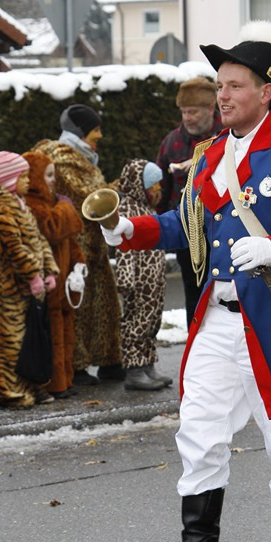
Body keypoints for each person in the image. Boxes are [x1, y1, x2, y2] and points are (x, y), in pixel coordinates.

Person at [101, 21, 271, 542]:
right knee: (198, 429)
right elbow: (184, 225)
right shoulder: (210, 154)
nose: (221, 95)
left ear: (266, 91)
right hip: (216, 319)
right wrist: (128, 229)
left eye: (234, 85)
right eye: (219, 84)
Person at [33, 105, 123, 387]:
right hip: (73, 247)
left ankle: (108, 360)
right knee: (79, 306)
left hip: (93, 246)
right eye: (95, 130)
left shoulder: (83, 157)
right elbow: (86, 197)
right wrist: (117, 187)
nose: (100, 135)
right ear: (81, 132)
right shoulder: (61, 160)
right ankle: (78, 366)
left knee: (102, 304)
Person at [0, 151, 58, 409]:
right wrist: (32, 273)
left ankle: (28, 384)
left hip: (24, 286)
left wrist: (49, 269)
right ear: (9, 180)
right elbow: (12, 247)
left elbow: (37, 239)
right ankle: (4, 390)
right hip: (5, 286)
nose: (28, 181)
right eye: (22, 176)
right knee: (8, 341)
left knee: (27, 339)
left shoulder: (19, 203)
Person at [156, 77, 222, 327]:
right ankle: (196, 343)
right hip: (187, 234)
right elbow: (161, 190)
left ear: (209, 108)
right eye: (184, 112)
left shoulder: (229, 134)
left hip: (225, 230)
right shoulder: (171, 142)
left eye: (192, 111)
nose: (187, 118)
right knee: (193, 293)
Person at [22, 151, 87, 400]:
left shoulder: (52, 201)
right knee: (53, 336)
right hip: (48, 285)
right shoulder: (32, 204)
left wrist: (78, 265)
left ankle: (65, 379)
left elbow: (70, 239)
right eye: (47, 175)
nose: (52, 180)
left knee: (67, 334)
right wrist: (66, 207)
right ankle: (55, 383)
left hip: (64, 283)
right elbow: (53, 227)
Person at [115, 159, 171, 392]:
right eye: (153, 186)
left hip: (152, 281)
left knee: (151, 322)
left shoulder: (147, 207)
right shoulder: (126, 209)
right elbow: (123, 247)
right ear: (140, 186)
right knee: (136, 323)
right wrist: (126, 279)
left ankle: (147, 363)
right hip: (138, 282)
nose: (158, 190)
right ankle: (134, 370)